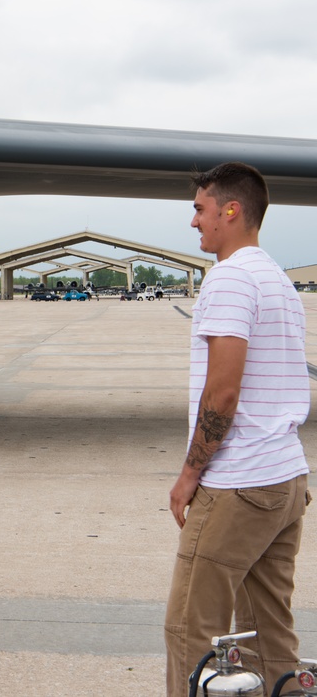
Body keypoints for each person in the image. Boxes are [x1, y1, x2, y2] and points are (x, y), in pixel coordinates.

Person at [164, 162, 310, 695]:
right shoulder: (276, 279)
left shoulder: (230, 278)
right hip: (285, 479)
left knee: (190, 630)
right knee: (270, 635)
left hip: (240, 483)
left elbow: (223, 394)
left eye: (200, 209)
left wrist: (188, 476)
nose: (194, 222)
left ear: (232, 210)